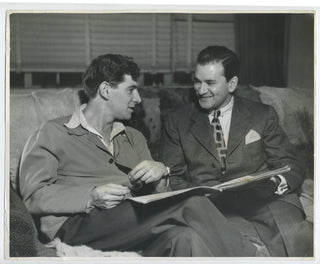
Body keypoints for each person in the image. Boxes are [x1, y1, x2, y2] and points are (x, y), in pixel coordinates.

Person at [19, 54, 257, 257]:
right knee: (192, 202)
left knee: (184, 237)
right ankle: (254, 256)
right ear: (105, 90)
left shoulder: (133, 136)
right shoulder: (53, 132)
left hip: (127, 225)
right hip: (77, 226)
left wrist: (161, 173)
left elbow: (157, 198)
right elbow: (33, 194)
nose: (138, 99)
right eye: (131, 90)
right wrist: (90, 196)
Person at [159, 46, 312, 257]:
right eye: (197, 81)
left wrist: (276, 183)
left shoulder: (262, 114)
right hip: (211, 207)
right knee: (234, 248)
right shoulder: (177, 121)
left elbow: (290, 164)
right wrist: (201, 193)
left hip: (267, 201)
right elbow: (173, 178)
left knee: (296, 237)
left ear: (232, 84)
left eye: (210, 83)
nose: (201, 90)